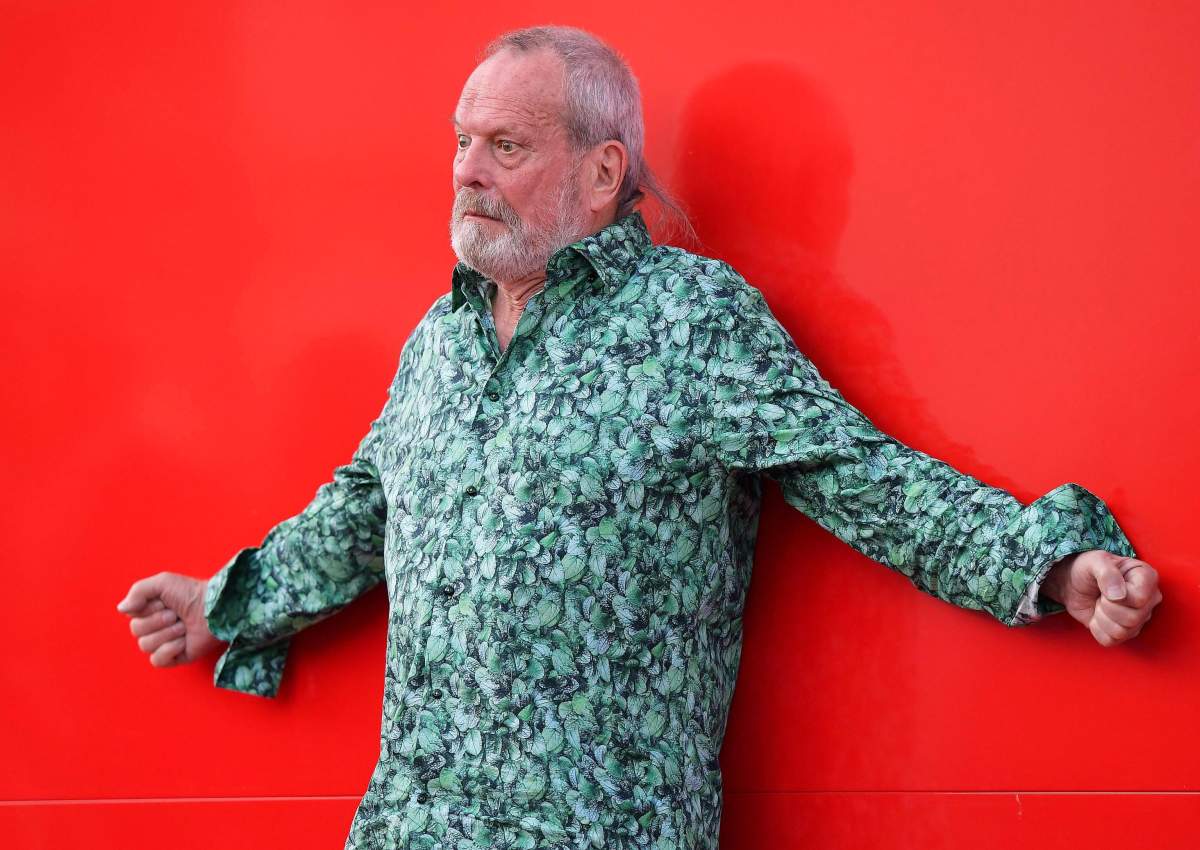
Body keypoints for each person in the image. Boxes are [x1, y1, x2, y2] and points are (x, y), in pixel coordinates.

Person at [116, 25, 1162, 850]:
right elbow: (363, 510)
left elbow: (861, 477)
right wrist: (223, 603)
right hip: (411, 828)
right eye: (462, 140)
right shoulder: (440, 336)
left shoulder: (691, 320)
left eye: (507, 146)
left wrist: (1046, 562)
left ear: (603, 169)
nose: (468, 170)